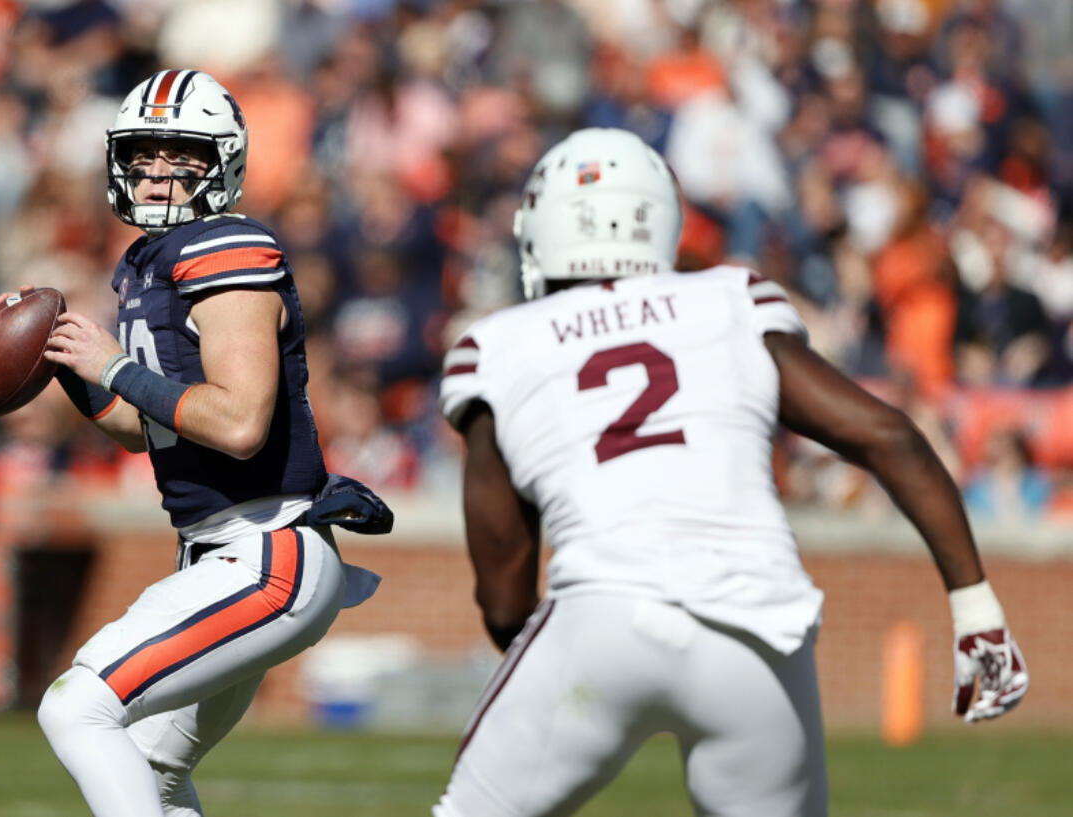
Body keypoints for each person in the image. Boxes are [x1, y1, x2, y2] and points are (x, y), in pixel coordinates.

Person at [434, 128, 1029, 817]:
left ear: (539, 228)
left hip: (604, 607)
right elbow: (888, 434)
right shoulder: (729, 298)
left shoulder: (498, 344)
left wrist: (579, 680)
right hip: (759, 622)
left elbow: (505, 598)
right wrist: (975, 607)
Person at [0, 70, 387, 817]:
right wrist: (74, 368)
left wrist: (114, 364)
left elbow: (238, 424)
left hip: (267, 548)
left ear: (225, 163)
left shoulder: (227, 246)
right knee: (149, 767)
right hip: (222, 548)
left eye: (183, 157)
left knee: (76, 706)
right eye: (143, 156)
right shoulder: (146, 263)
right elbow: (147, 428)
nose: (158, 173)